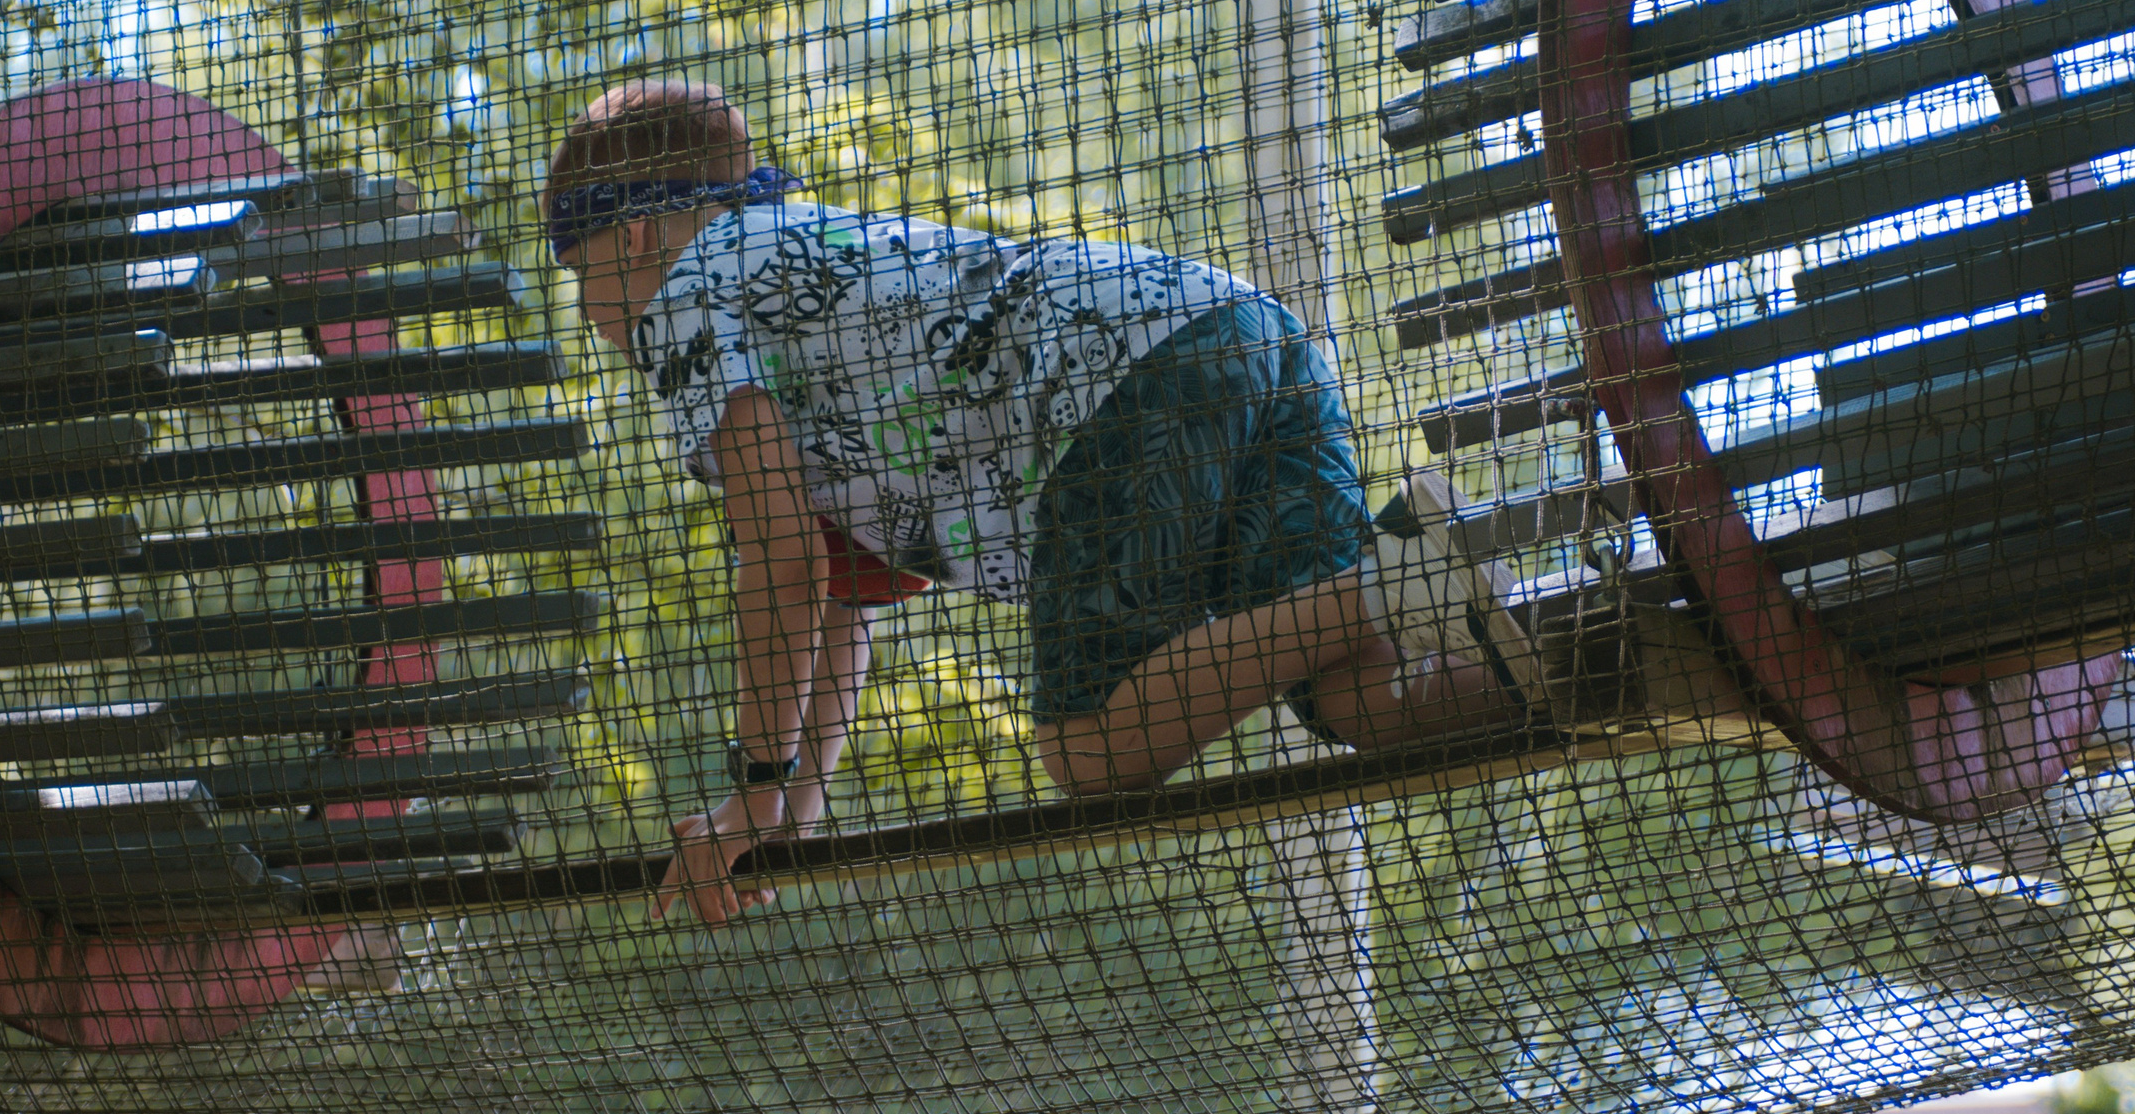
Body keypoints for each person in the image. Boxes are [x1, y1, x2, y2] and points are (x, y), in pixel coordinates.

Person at [545, 80, 1538, 925]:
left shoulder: (684, 291)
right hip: (1239, 337)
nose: (593, 320)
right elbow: (837, 594)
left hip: (1119, 379)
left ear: (631, 234)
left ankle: (1395, 580)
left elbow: (778, 562)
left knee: (1092, 747)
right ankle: (1572, 639)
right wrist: (793, 809)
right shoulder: (799, 272)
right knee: (1358, 700)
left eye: (580, 278)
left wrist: (752, 791)